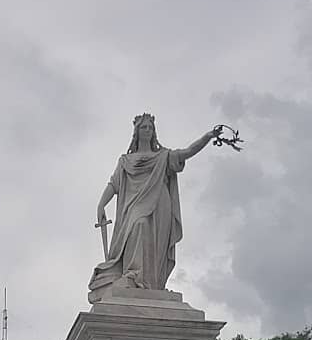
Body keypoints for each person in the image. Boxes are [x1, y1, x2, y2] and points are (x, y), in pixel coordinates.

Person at [88, 114, 226, 302]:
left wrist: (207, 137)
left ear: (154, 132)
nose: (147, 130)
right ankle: (133, 275)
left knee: (153, 240)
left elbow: (187, 152)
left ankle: (151, 283)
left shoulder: (163, 156)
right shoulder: (125, 161)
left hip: (160, 203)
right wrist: (101, 204)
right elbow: (114, 184)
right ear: (136, 132)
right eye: (144, 127)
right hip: (134, 205)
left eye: (150, 128)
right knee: (139, 226)